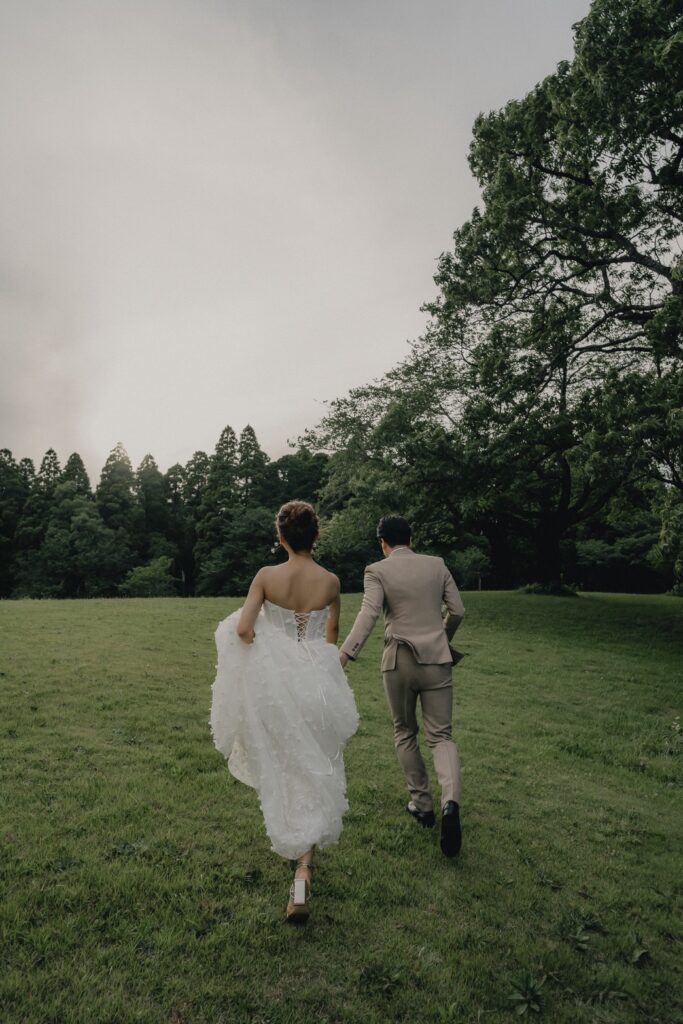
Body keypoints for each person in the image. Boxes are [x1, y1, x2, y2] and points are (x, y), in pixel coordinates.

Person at [210, 501, 358, 923]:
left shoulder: (266, 577)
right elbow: (329, 640)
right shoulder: (330, 581)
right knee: (314, 767)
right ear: (315, 535)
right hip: (316, 683)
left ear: (281, 537)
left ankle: (298, 860)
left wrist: (272, 652)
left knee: (289, 767)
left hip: (277, 687)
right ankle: (303, 870)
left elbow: (243, 630)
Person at [339, 515, 465, 857]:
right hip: (437, 659)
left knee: (404, 731)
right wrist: (441, 639)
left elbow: (368, 614)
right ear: (412, 538)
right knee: (441, 736)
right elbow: (457, 611)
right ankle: (450, 803)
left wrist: (345, 654)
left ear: (382, 543)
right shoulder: (437, 565)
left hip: (398, 661)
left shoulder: (377, 570)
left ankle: (422, 805)